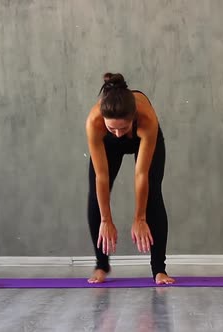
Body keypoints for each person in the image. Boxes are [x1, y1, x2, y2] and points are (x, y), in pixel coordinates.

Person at [85, 73, 175, 285]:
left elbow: (141, 174)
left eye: (122, 128)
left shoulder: (147, 119)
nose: (117, 134)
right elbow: (102, 176)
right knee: (96, 196)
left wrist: (140, 218)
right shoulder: (94, 122)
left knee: (152, 192)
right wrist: (106, 220)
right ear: (103, 122)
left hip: (142, 138)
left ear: (133, 118)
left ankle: (159, 270)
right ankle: (101, 265)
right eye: (111, 128)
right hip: (107, 146)